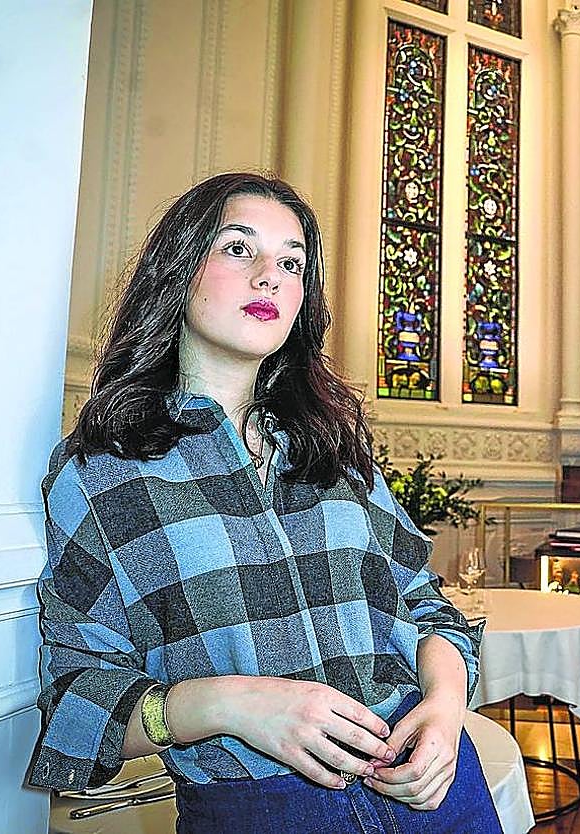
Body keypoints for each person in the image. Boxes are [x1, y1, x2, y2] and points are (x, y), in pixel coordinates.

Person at [26, 172, 501, 833]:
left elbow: (429, 606)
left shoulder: (334, 450)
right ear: (178, 268)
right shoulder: (101, 473)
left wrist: (445, 708)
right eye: (238, 248)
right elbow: (76, 702)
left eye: (291, 263)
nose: (269, 277)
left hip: (438, 794)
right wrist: (230, 704)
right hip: (258, 812)